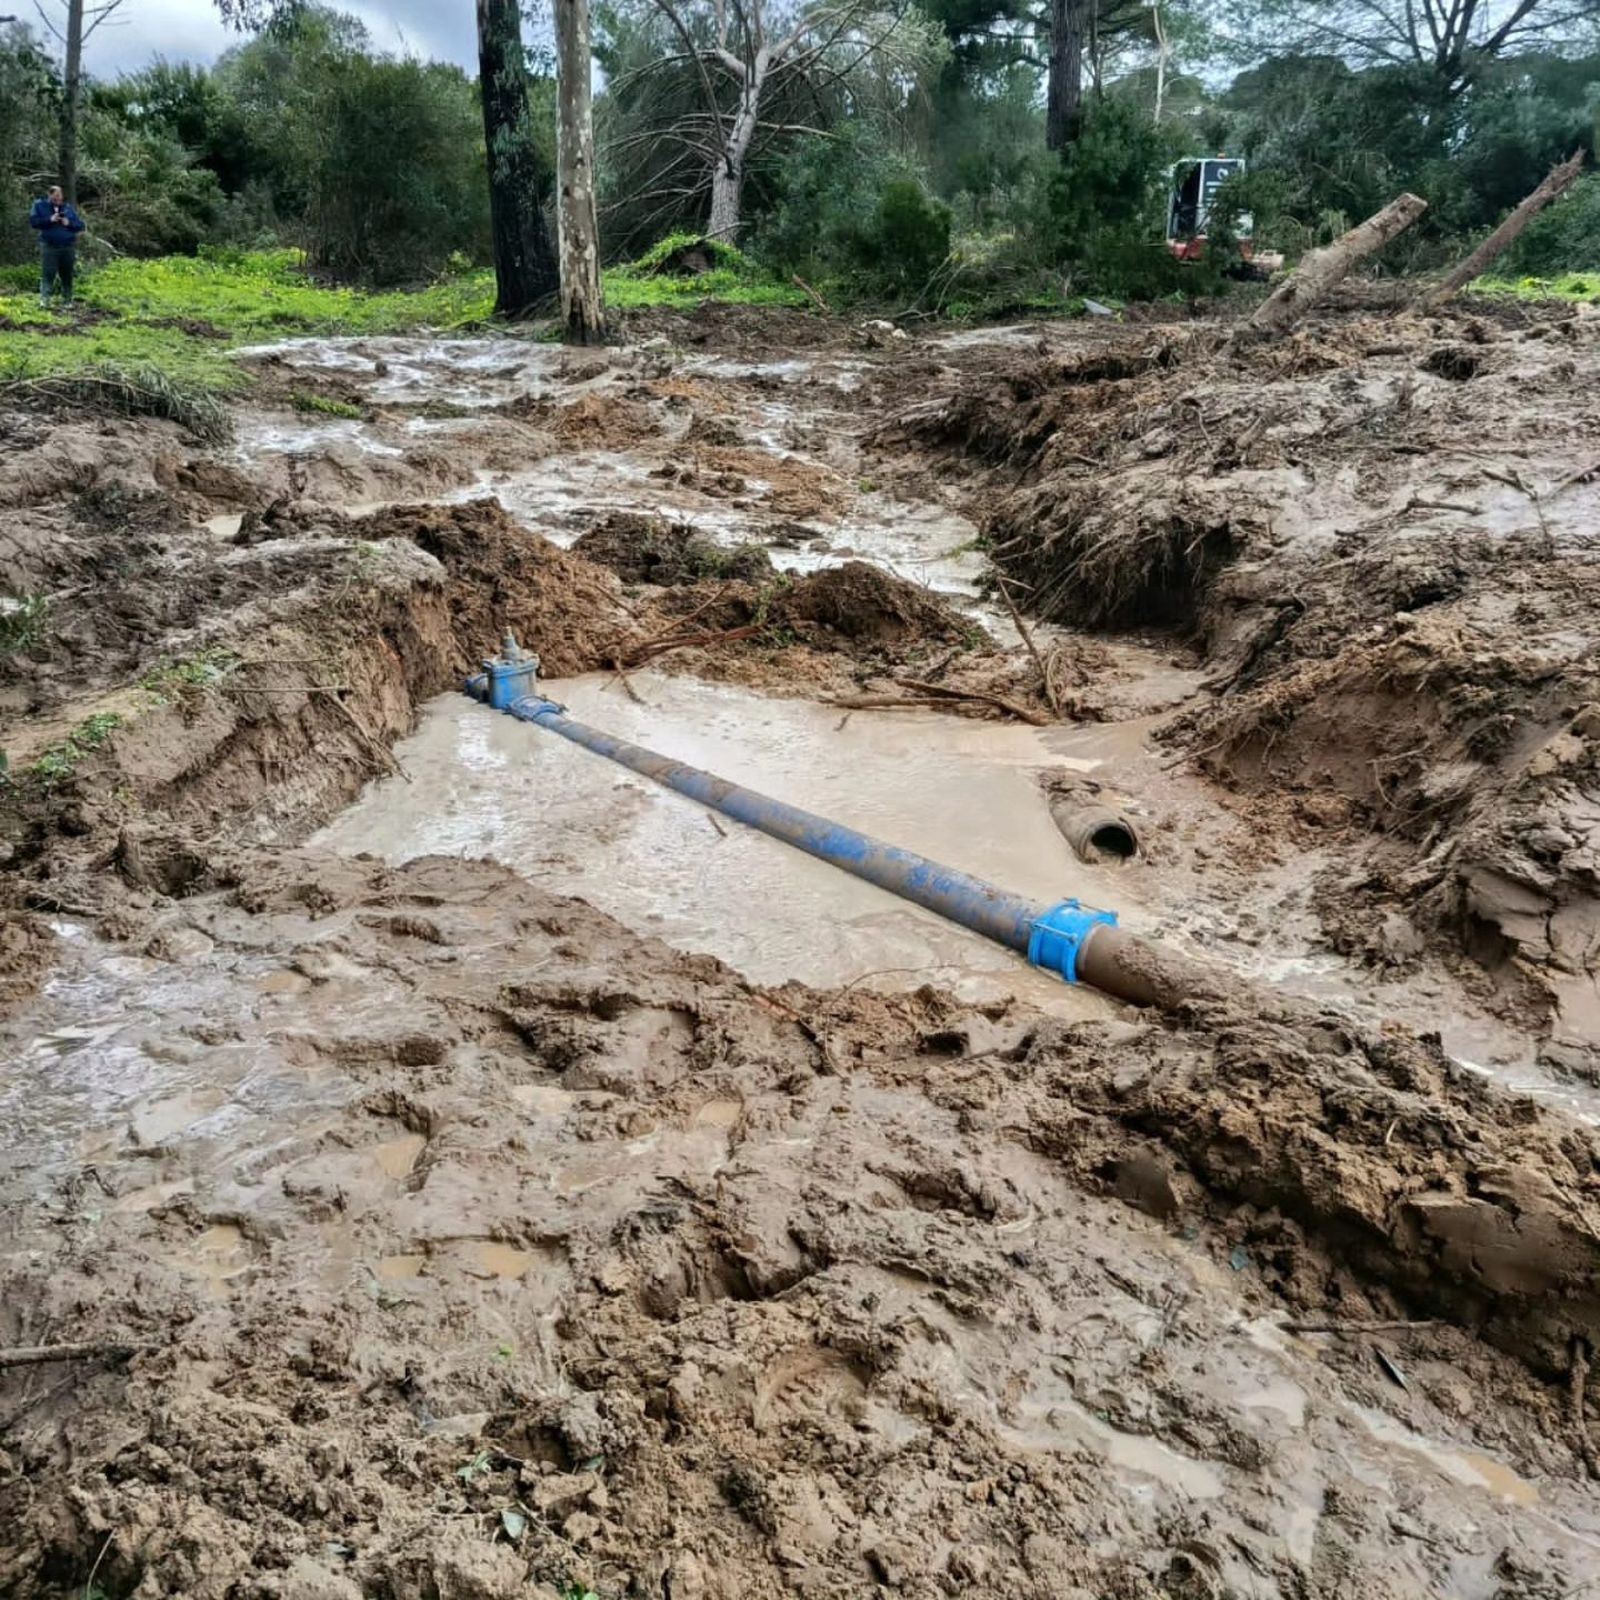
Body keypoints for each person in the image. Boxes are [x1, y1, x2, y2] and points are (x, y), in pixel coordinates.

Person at [30, 185, 85, 310]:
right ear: (49, 196)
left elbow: (80, 225)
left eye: (59, 198)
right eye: (55, 198)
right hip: (50, 246)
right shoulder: (40, 206)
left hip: (67, 246)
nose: (57, 200)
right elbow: (34, 222)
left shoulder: (68, 208)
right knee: (48, 273)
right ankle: (45, 301)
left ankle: (67, 300)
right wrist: (50, 219)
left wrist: (68, 223)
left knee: (67, 274)